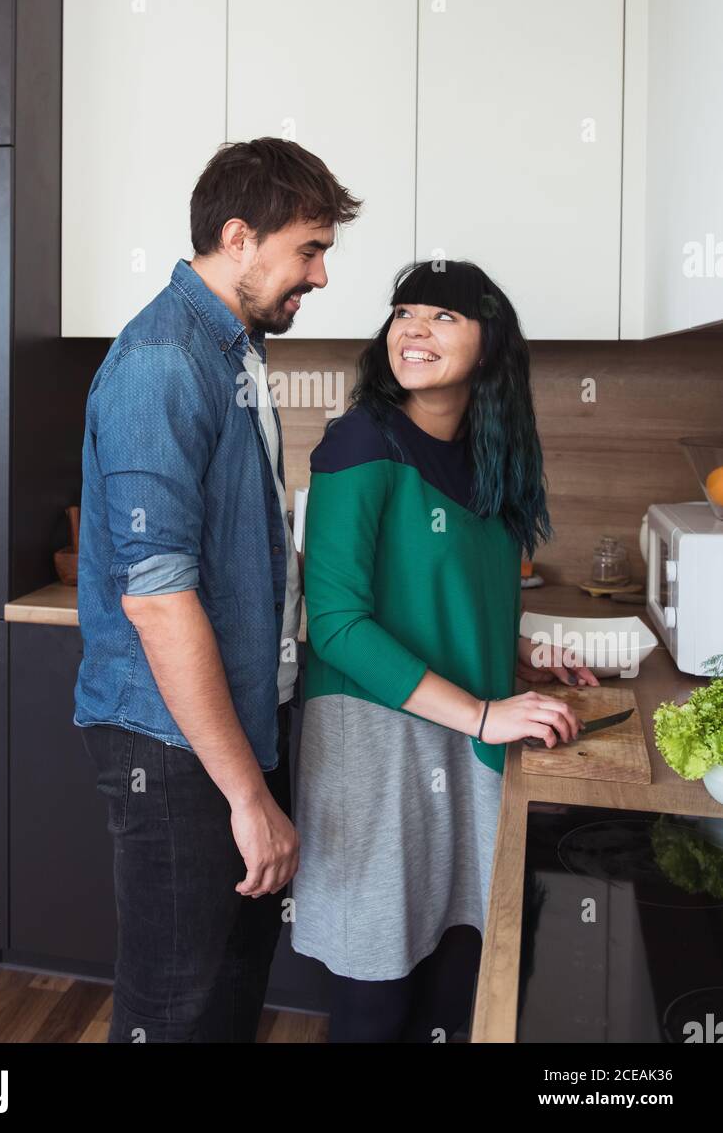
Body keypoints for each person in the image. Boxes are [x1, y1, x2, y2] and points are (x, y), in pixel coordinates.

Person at [74, 137, 362, 1042]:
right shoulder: (163, 362)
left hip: (232, 730)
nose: (319, 277)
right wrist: (246, 796)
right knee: (175, 1006)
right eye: (309, 250)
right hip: (172, 750)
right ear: (239, 237)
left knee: (231, 991)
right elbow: (158, 600)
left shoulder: (233, 350)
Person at [289, 258, 599, 1043]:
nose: (413, 330)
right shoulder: (359, 443)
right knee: (378, 994)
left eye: (442, 316)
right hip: (376, 751)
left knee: (460, 979)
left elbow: (445, 602)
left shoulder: (491, 457)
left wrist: (515, 658)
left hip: (467, 739)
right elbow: (337, 625)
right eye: (403, 313)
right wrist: (487, 710)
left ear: (490, 346)